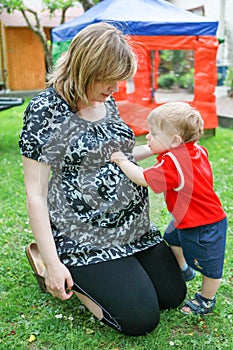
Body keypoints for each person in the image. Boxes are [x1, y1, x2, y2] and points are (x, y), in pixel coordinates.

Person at [19, 22, 186, 336]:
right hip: (83, 235)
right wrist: (57, 266)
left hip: (132, 229)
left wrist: (164, 150)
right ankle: (52, 264)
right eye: (109, 79)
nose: (116, 88)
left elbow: (115, 155)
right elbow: (35, 194)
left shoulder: (103, 99)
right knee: (139, 319)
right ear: (85, 68)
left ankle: (116, 272)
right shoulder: (45, 112)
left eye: (119, 80)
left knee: (172, 296)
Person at [111, 101, 227, 316]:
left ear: (174, 140)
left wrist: (121, 161)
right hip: (187, 217)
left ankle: (206, 299)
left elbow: (142, 178)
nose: (147, 136)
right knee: (172, 239)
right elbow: (159, 156)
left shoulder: (175, 164)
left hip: (204, 225)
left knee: (211, 268)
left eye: (153, 134)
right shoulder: (195, 150)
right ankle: (184, 269)